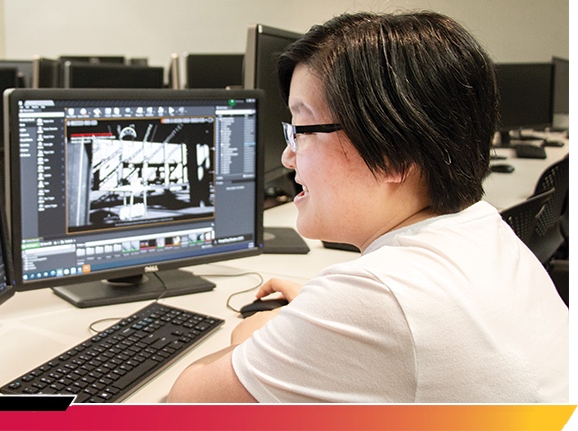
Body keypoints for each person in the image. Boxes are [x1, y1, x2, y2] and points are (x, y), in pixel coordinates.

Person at [166, 11, 568, 403]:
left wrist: (263, 329)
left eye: (302, 131)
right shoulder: (482, 228)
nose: (289, 157)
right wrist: (319, 318)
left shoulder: (379, 298)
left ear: (394, 154)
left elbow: (185, 399)